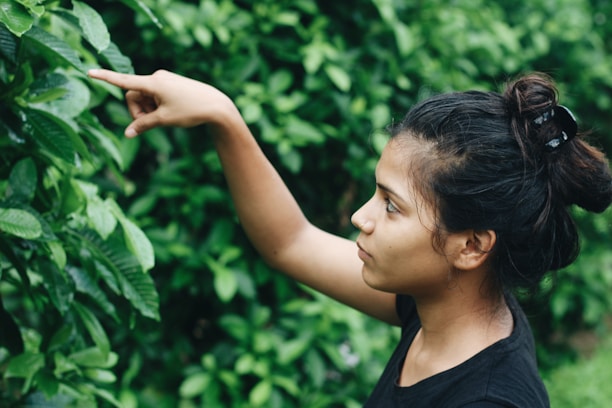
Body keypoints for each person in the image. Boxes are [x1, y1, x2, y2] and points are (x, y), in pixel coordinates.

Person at [88, 68, 612, 407]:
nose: (362, 217)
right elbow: (291, 242)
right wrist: (223, 117)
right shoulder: (437, 309)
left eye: (392, 205)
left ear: (471, 245)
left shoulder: (491, 400)